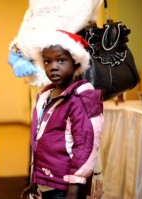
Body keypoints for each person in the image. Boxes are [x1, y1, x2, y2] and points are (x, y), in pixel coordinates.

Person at [19, 30, 104, 199]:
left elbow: (85, 145)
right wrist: (34, 180)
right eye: (47, 61)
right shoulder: (44, 96)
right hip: (46, 181)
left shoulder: (81, 99)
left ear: (76, 62)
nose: (53, 67)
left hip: (66, 186)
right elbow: (39, 142)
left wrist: (74, 188)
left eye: (61, 60)